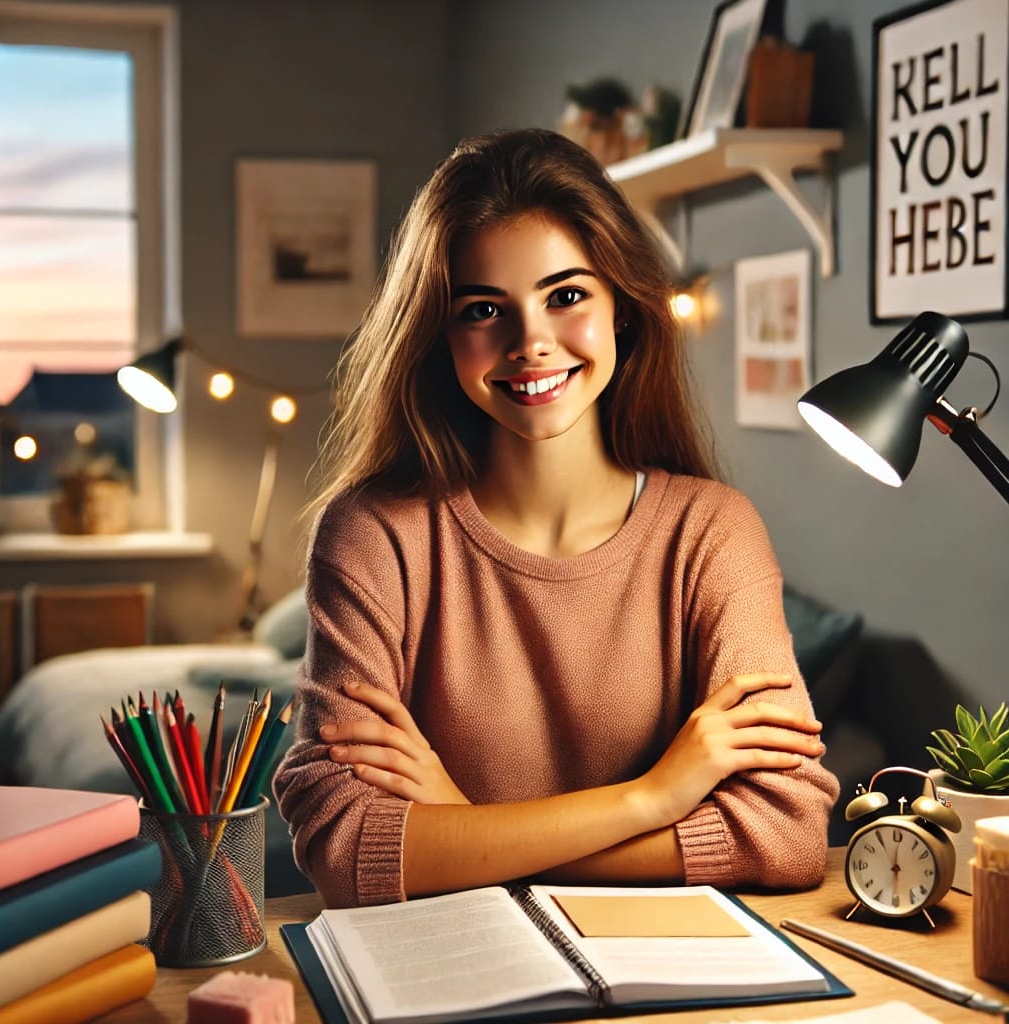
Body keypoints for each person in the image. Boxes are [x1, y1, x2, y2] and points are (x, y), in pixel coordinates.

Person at [273, 128, 839, 909]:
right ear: (440, 339)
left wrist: (466, 829)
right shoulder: (374, 534)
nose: (531, 343)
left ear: (624, 313)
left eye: (566, 295)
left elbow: (786, 831)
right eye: (483, 310)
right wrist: (653, 798)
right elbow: (342, 846)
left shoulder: (713, 532)